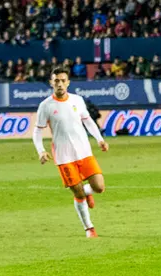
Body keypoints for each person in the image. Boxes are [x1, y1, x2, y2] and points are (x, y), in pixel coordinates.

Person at [33, 66, 108, 237]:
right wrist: (41, 150)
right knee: (77, 192)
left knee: (99, 187)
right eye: (56, 81)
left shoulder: (77, 100)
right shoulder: (45, 106)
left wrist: (99, 139)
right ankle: (89, 228)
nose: (59, 84)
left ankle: (88, 193)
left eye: (62, 81)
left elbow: (88, 121)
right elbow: (37, 131)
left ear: (68, 83)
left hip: (84, 152)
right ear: (51, 83)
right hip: (64, 156)